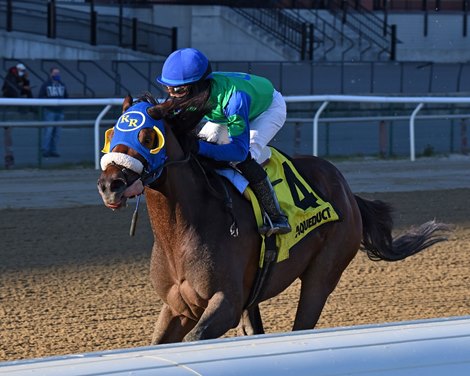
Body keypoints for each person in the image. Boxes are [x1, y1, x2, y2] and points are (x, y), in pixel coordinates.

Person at [156, 48, 291, 235]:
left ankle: (276, 216)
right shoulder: (197, 90)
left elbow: (238, 151)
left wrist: (196, 146)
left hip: (267, 109)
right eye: (167, 88)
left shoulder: (234, 100)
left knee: (244, 158)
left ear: (196, 86)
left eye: (177, 90)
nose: (172, 94)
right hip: (227, 112)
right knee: (205, 143)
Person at [1, 63, 33, 169]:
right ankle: (9, 158)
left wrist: (26, 83)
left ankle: (9, 158)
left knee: (8, 133)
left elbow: (23, 90)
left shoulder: (19, 77)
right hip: (7, 107)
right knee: (8, 133)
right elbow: (13, 91)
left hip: (12, 107)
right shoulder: (11, 77)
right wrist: (23, 87)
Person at [38, 67, 68, 157]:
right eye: (55, 73)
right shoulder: (46, 85)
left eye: (58, 73)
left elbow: (66, 96)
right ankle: (45, 150)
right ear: (50, 74)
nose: (56, 75)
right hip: (49, 111)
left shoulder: (62, 85)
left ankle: (53, 150)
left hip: (60, 111)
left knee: (57, 132)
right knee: (48, 131)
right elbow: (40, 96)